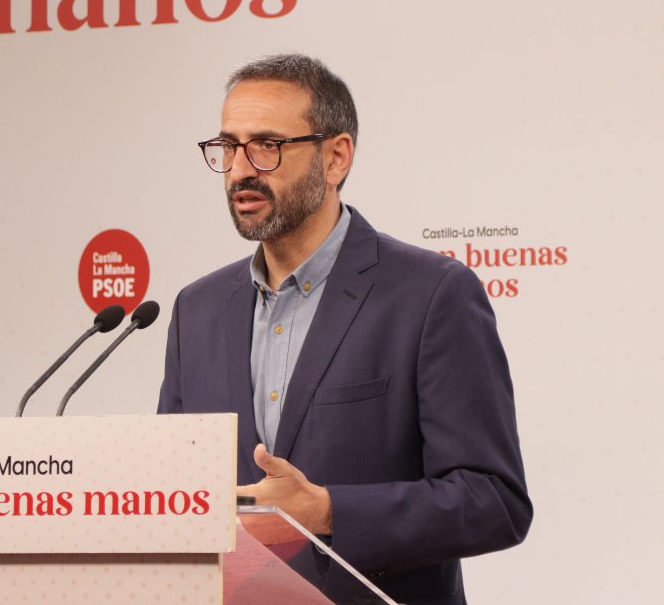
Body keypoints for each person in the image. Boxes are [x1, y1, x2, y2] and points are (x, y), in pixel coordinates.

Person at [158, 54, 531, 604]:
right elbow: (176, 492)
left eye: (267, 144)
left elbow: (494, 500)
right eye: (228, 147)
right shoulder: (198, 309)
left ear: (336, 158)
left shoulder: (431, 294)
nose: (240, 169)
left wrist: (328, 511)